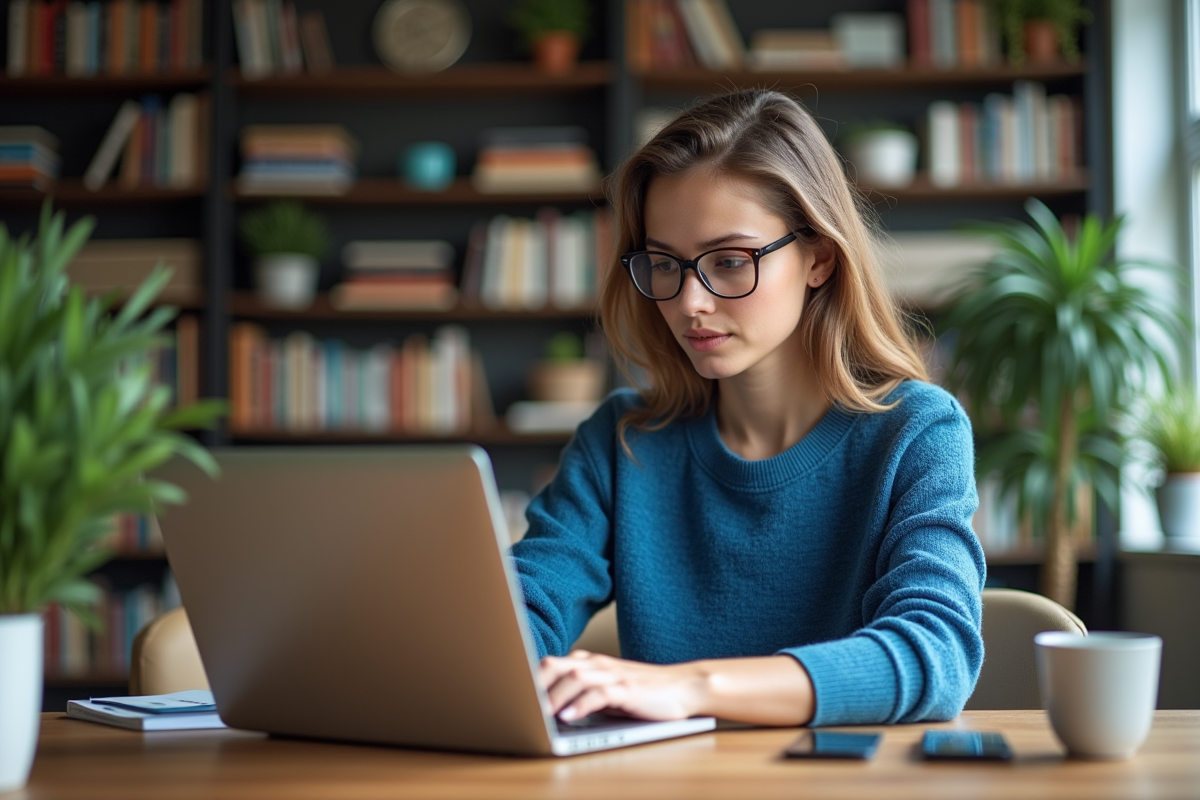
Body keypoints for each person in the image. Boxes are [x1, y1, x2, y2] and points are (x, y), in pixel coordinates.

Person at [511, 89, 985, 728]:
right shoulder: (621, 442)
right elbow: (521, 612)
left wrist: (693, 687)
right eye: (665, 265)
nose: (690, 303)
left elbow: (937, 653)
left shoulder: (917, 432)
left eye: (730, 262)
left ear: (818, 258)